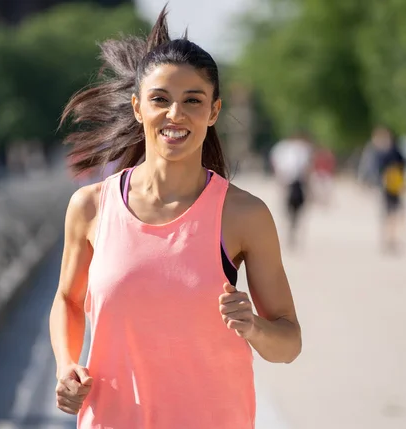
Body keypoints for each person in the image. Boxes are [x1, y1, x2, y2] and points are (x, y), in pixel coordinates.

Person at [48, 8, 302, 429]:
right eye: (160, 99)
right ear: (137, 107)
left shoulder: (243, 214)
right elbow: (69, 301)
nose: (175, 114)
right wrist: (66, 365)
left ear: (214, 111)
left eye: (193, 101)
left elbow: (288, 343)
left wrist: (253, 326)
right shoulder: (90, 207)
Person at [269, 132, 314, 249]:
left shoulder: (289, 149)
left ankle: (292, 230)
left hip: (293, 183)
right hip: (291, 183)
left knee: (293, 209)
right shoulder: (292, 149)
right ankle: (292, 230)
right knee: (293, 209)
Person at [371, 126, 406, 253]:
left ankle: (390, 237)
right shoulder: (395, 151)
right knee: (392, 213)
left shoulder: (386, 152)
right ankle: (390, 237)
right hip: (393, 185)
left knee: (390, 213)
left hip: (390, 185)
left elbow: (379, 169)